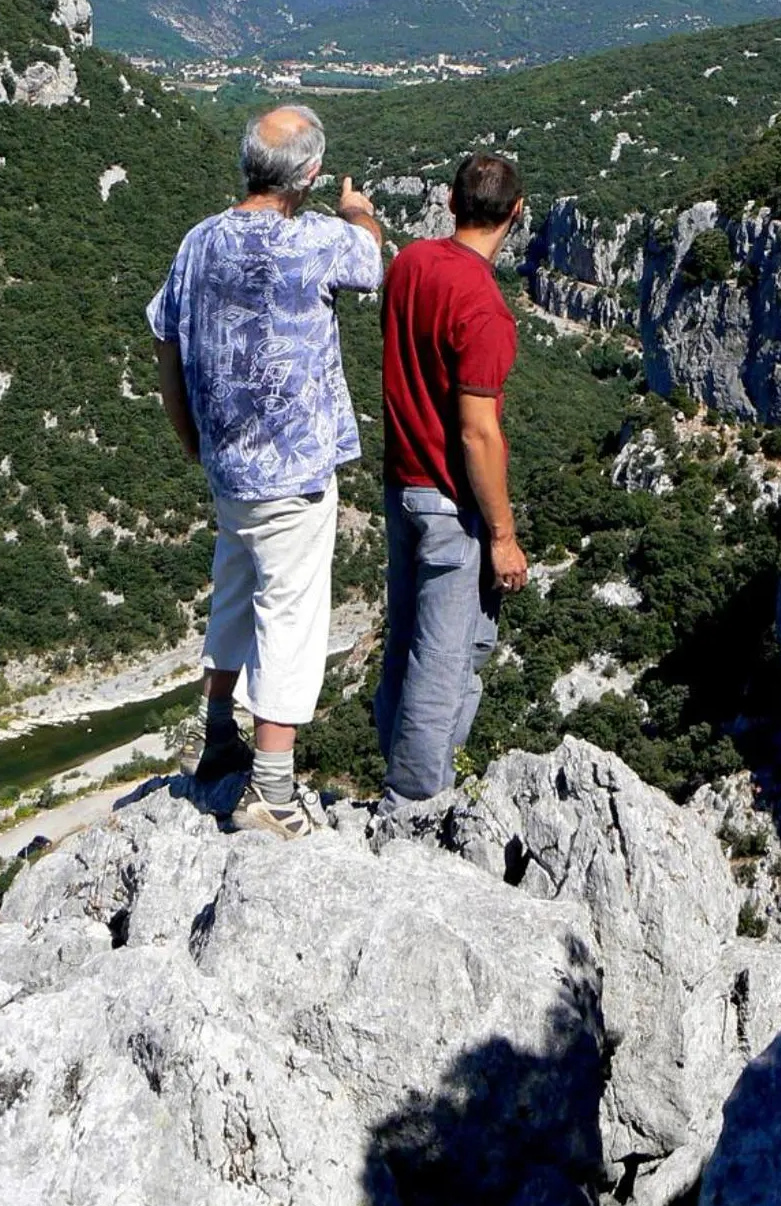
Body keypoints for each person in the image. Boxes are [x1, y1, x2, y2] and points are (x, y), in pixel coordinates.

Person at [148, 104, 383, 839]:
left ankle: (218, 741)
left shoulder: (199, 242)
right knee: (291, 620)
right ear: (308, 175)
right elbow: (373, 264)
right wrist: (359, 212)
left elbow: (165, 339)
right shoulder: (316, 238)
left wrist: (191, 439)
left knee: (233, 597)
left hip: (227, 468)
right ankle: (272, 793)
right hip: (294, 473)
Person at [373, 152, 528, 824]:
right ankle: (414, 805)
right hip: (450, 507)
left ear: (447, 199)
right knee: (444, 662)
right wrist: (503, 536)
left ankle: (397, 776)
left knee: (405, 648)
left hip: (400, 488)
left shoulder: (409, 265)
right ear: (516, 215)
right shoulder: (486, 308)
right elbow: (478, 434)